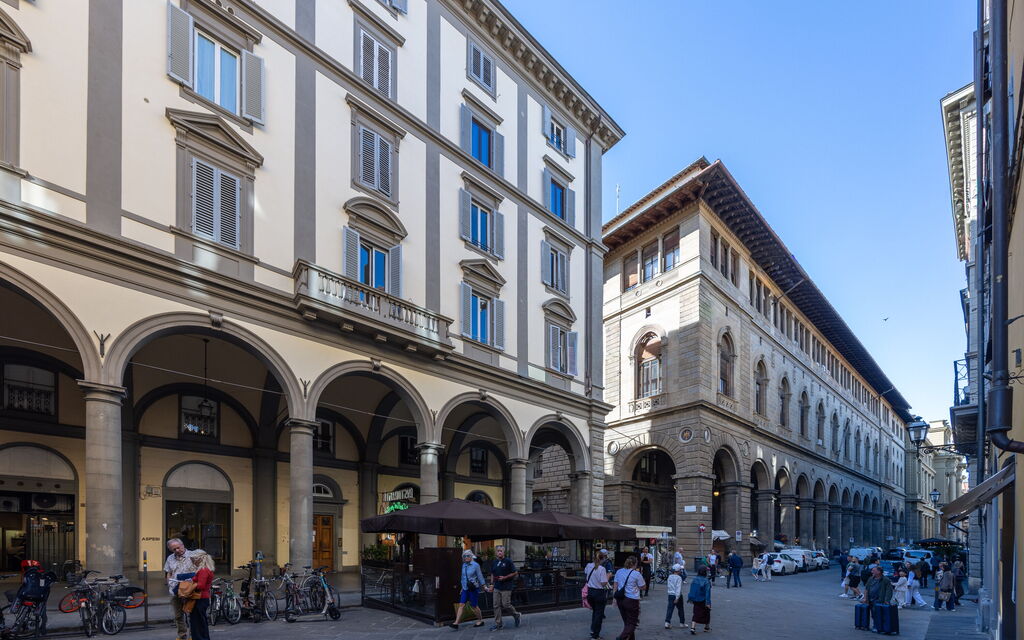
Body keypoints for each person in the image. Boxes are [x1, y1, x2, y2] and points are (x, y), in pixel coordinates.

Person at [164, 537, 197, 640]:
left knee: (191, 614)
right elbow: (168, 572)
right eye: (174, 549)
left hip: (190, 590)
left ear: (182, 545)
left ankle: (192, 636)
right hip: (175, 590)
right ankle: (182, 635)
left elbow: (200, 572)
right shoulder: (170, 558)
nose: (177, 550)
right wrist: (169, 583)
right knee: (178, 615)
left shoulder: (193, 555)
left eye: (178, 547)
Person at [450, 550, 485, 629]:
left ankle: (480, 620)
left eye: (468, 556)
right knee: (461, 604)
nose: (466, 557)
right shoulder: (464, 565)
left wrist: (484, 586)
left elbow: (480, 576)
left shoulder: (475, 565)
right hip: (465, 588)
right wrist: (462, 587)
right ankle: (456, 623)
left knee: (474, 606)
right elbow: (463, 577)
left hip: (473, 588)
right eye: (464, 556)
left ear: (471, 556)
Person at [489, 545, 522, 630]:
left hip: (506, 587)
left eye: (501, 551)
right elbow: (492, 573)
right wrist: (491, 585)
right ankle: (498, 624)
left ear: (504, 552)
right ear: (496, 552)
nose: (499, 552)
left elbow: (515, 572)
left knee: (506, 604)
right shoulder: (494, 562)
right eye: (498, 551)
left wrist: (505, 577)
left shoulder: (508, 561)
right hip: (497, 586)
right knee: (496, 605)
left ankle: (516, 615)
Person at [613, 556, 645, 640]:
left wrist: (614, 598)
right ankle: (621, 638)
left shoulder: (619, 571)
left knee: (627, 622)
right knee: (632, 623)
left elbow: (615, 585)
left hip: (620, 599)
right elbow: (643, 587)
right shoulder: (636, 574)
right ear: (634, 564)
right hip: (632, 600)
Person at [584, 550, 611, 640]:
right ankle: (595, 635)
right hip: (599, 593)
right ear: (602, 559)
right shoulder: (601, 569)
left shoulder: (588, 565)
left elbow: (586, 574)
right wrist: (607, 577)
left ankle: (593, 631)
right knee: (598, 614)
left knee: (595, 612)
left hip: (590, 592)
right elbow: (603, 583)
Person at [187, 551, 214, 640]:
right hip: (202, 597)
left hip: (200, 598)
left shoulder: (203, 570)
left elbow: (201, 585)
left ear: (198, 559)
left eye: (193, 559)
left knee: (197, 622)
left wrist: (189, 585)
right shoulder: (205, 569)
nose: (192, 561)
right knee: (200, 621)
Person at [864, 566, 895, 631]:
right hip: (870, 599)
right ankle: (876, 625)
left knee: (878, 614)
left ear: (879, 572)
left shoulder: (885, 580)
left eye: (873, 570)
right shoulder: (871, 578)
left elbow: (889, 591)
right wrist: (865, 598)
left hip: (879, 600)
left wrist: (887, 600)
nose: (872, 572)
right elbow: (866, 589)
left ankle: (877, 626)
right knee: (873, 613)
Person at [686, 566, 712, 635]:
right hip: (703, 600)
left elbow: (692, 590)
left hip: (695, 599)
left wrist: (690, 598)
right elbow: (707, 593)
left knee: (696, 613)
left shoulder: (694, 579)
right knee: (707, 613)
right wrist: (708, 603)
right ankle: (706, 627)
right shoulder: (706, 581)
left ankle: (693, 627)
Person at [664, 564, 686, 629]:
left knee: (670, 609)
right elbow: (678, 588)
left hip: (670, 594)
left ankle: (667, 622)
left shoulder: (669, 577)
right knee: (680, 609)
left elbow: (669, 586)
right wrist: (677, 597)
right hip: (677, 595)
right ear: (678, 571)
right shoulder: (679, 578)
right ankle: (682, 623)